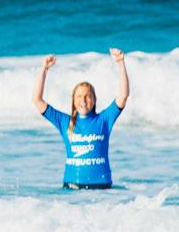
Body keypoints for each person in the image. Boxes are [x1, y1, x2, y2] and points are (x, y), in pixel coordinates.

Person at [32, 49, 131, 189]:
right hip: (72, 189)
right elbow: (37, 100)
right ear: (73, 100)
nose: (83, 100)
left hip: (102, 191)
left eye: (87, 96)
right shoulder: (65, 122)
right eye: (78, 96)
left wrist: (121, 63)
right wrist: (44, 69)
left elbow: (123, 96)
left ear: (94, 99)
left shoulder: (103, 120)